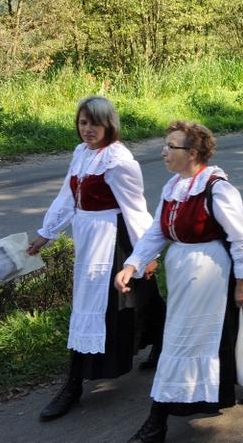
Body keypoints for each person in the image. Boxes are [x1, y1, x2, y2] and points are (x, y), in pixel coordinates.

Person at [115, 121, 243, 443]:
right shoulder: (173, 186)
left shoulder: (217, 188)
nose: (163, 152)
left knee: (181, 340)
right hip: (182, 271)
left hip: (208, 270)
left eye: (170, 146)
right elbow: (157, 232)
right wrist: (132, 264)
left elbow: (242, 239)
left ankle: (157, 421)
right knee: (223, 326)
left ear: (193, 153)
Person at [27, 96, 165, 423]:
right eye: (83, 123)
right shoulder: (81, 153)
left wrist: (145, 254)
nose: (88, 129)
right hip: (88, 239)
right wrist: (46, 233)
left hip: (113, 239)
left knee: (102, 305)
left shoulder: (118, 161)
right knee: (142, 296)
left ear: (109, 126)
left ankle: (73, 384)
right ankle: (162, 341)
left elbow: (135, 208)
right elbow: (67, 198)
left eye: (95, 123)